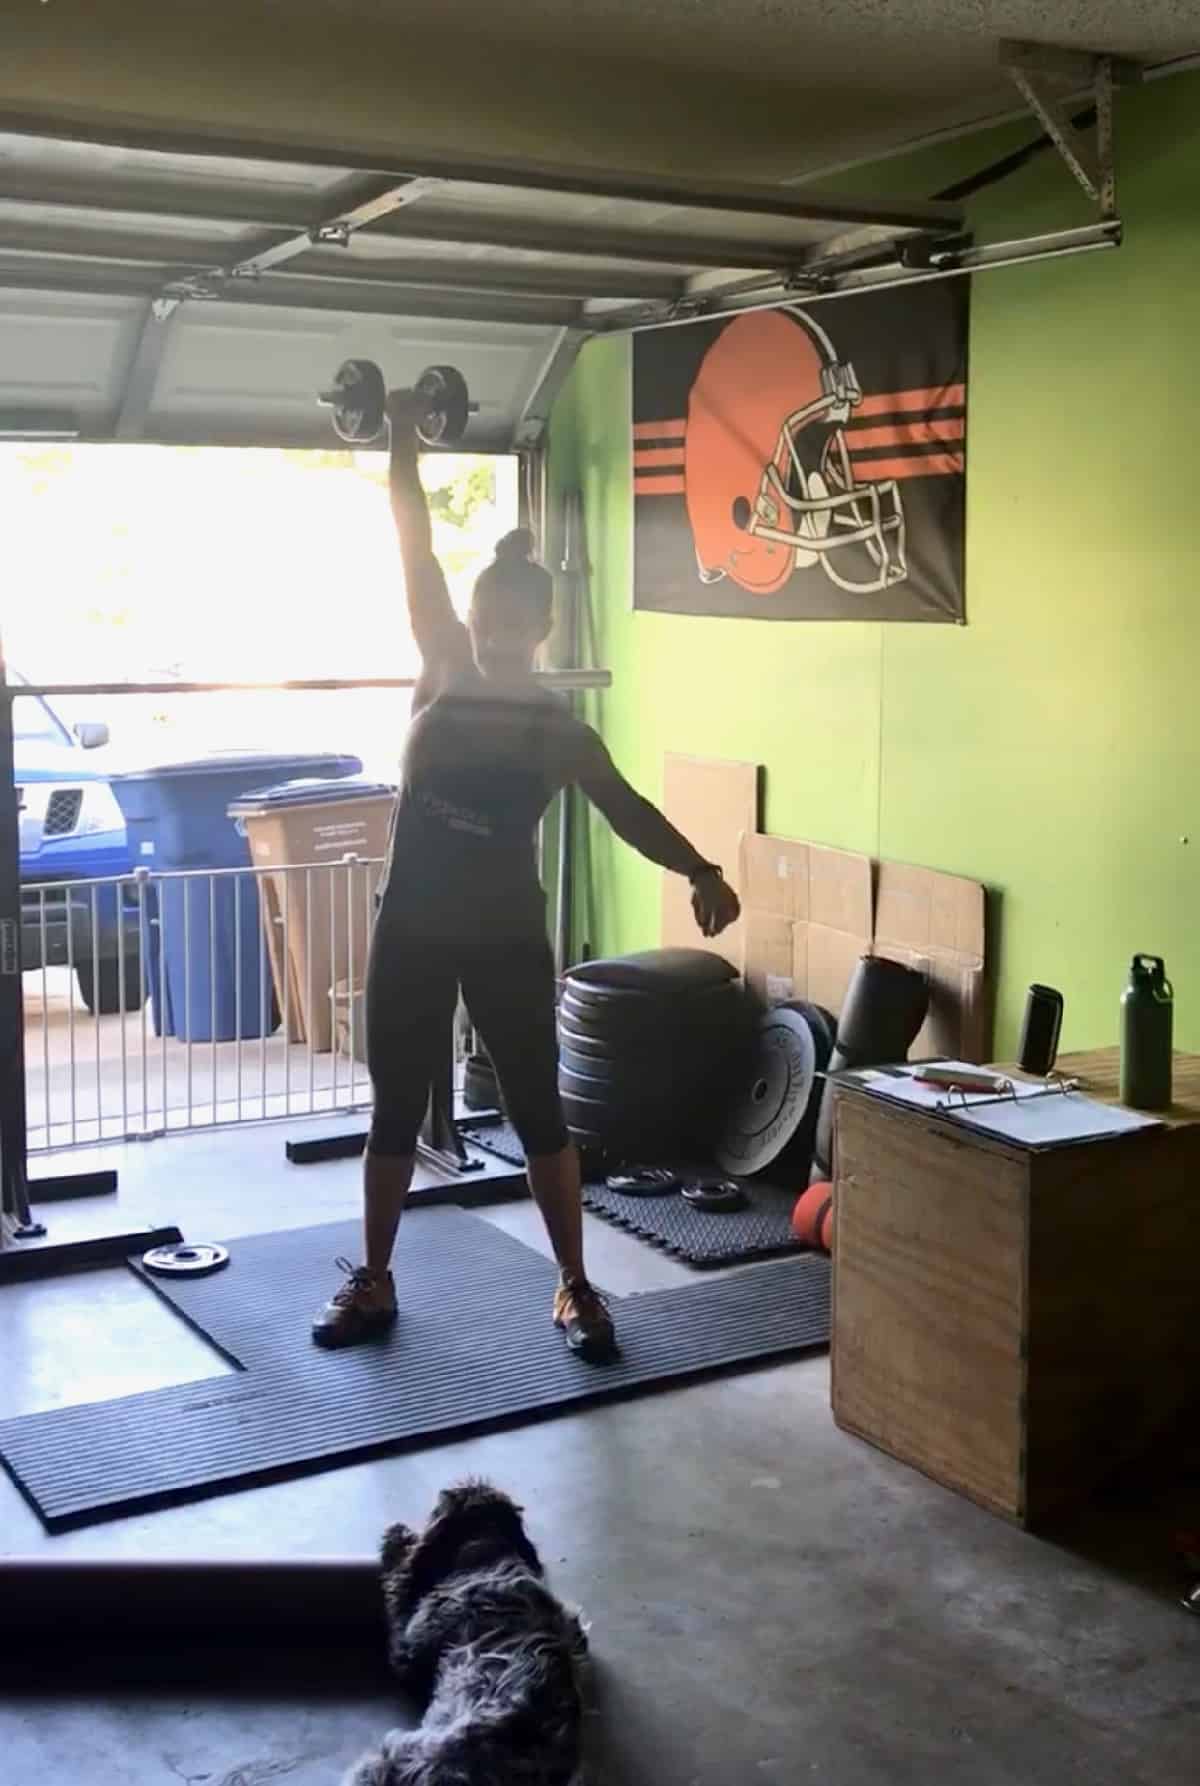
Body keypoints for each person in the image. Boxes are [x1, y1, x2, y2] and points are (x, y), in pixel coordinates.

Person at [312, 385, 741, 1362]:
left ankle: (576, 1287)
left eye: (520, 625)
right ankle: (374, 1281)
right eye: (490, 621)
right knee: (392, 1109)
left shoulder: (556, 726)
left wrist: (703, 867)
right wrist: (406, 445)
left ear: (540, 628)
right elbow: (413, 550)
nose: (503, 635)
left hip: (505, 934)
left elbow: (627, 808)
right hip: (414, 926)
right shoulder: (446, 666)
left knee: (539, 1110)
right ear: (476, 620)